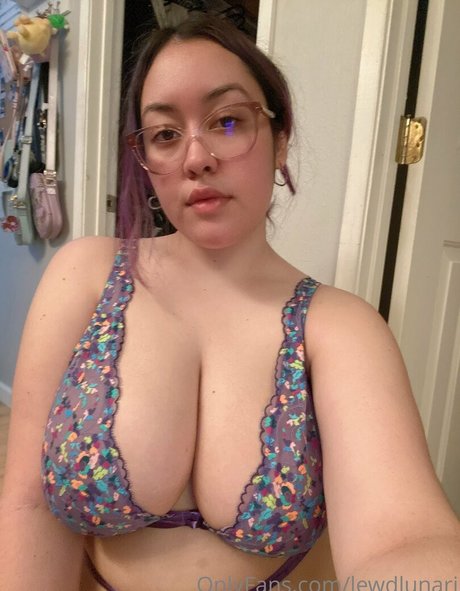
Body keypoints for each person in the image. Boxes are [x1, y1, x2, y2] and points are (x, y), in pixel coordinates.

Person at [0, 14, 459, 591]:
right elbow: (28, 503)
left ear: (280, 138)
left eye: (227, 121)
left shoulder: (341, 328)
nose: (195, 158)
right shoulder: (86, 274)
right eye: (165, 134)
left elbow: (404, 537)